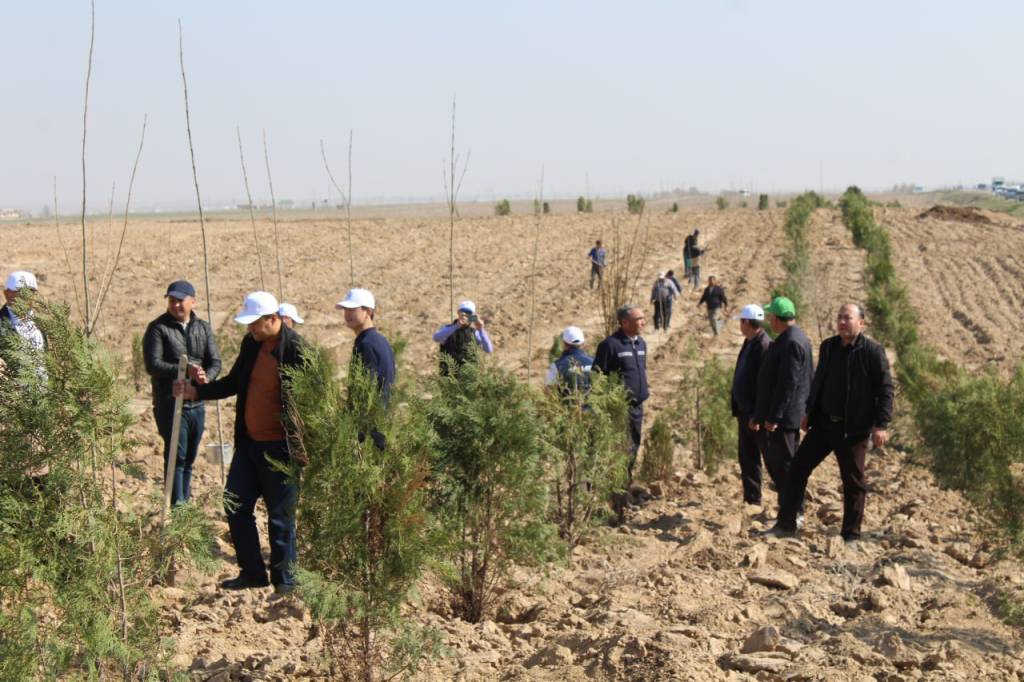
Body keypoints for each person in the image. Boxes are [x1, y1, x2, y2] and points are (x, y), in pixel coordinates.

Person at [175, 291, 304, 593]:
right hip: (249, 445)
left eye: (255, 323)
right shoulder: (251, 344)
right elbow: (235, 382)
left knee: (280, 517)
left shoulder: (296, 350)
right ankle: (252, 573)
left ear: (273, 319)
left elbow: (311, 401)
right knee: (235, 504)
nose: (251, 329)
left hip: (281, 449)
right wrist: (197, 392)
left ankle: (286, 582)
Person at [767, 304, 894, 543]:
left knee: (853, 483)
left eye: (848, 318)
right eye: (840, 318)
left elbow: (885, 389)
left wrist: (881, 424)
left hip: (853, 429)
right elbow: (818, 382)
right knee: (797, 469)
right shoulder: (829, 347)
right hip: (824, 425)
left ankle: (851, 536)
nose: (842, 322)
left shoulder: (872, 352)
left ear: (861, 323)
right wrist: (809, 411)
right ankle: (785, 524)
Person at [143, 280, 221, 506]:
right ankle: (177, 508)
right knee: (176, 457)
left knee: (189, 459)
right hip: (170, 403)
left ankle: (184, 505)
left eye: (180, 300)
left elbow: (215, 361)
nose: (175, 305)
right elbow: (153, 364)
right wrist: (184, 369)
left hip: (196, 403)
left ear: (192, 302)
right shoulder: (158, 328)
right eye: (172, 300)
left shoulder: (202, 328)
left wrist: (207, 377)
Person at [752, 296, 813, 522]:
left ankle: (794, 514)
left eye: (771, 317)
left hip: (786, 417)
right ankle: (790, 511)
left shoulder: (791, 342)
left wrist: (774, 416)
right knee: (785, 465)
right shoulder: (793, 338)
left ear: (777, 319)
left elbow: (788, 383)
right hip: (787, 414)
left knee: (786, 466)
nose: (769, 321)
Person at [594, 305, 648, 480]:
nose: (643, 322)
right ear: (624, 322)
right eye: (639, 319)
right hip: (619, 407)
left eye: (643, 318)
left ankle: (625, 481)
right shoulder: (610, 345)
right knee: (620, 447)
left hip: (637, 406)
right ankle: (616, 484)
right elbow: (597, 376)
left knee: (634, 444)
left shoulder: (641, 344)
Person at [337, 288, 396, 450]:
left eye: (352, 309)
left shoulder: (366, 344)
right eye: (345, 309)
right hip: (380, 422)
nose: (347, 314)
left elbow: (365, 391)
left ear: (368, 311)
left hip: (371, 428)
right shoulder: (377, 340)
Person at [729, 305, 771, 506]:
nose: (740, 325)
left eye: (741, 321)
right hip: (745, 412)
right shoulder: (750, 342)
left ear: (747, 322)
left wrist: (757, 413)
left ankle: (789, 503)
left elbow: (764, 385)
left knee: (770, 458)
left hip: (756, 415)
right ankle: (752, 500)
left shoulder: (763, 346)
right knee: (747, 457)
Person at [433, 300, 494, 375]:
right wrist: (456, 326)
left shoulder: (475, 332)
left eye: (468, 313)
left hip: (469, 377)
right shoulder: (448, 329)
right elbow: (436, 338)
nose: (465, 315)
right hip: (448, 376)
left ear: (473, 316)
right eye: (463, 312)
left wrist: (481, 329)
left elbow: (489, 349)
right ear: (458, 313)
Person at [1, 271, 44, 353]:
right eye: (19, 291)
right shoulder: (1, 324)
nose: (25, 295)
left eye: (31, 291)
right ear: (6, 294)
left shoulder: (41, 322)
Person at [545, 325, 593, 396]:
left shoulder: (557, 365)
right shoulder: (594, 362)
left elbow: (549, 390)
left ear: (564, 343)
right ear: (583, 343)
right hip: (593, 403)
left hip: (566, 403)